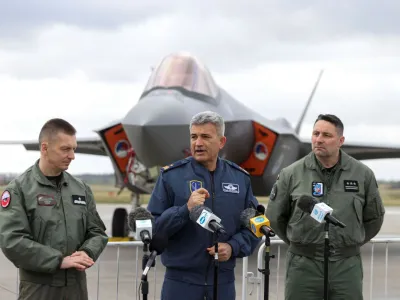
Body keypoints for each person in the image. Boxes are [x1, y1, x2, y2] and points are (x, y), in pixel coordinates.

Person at [266, 114, 385, 300]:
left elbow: (374, 219)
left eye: (326, 135)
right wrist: (302, 244)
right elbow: (275, 217)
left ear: (340, 140)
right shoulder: (291, 174)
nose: (319, 139)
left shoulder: (363, 174)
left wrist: (347, 242)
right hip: (303, 266)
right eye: (316, 133)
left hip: (346, 266)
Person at [147, 111, 261, 300]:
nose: (198, 143)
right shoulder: (171, 177)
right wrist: (185, 210)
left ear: (221, 142)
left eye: (205, 137)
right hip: (180, 283)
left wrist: (233, 247)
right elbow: (154, 228)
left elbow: (255, 225)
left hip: (223, 282)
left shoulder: (240, 179)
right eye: (194, 136)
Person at [0, 118, 109, 300]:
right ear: (44, 148)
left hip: (76, 288)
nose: (72, 155)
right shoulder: (19, 190)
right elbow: (12, 240)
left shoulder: (81, 189)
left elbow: (97, 231)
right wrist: (59, 260)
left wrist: (88, 251)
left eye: (74, 148)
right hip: (39, 290)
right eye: (65, 149)